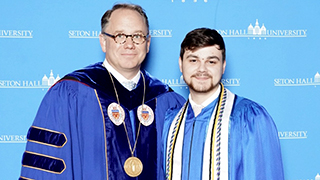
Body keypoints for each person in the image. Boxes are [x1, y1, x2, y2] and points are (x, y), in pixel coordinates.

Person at [19, 3, 185, 180]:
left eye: (137, 36)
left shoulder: (168, 101)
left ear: (148, 43)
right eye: (120, 36)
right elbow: (45, 169)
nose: (129, 44)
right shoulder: (69, 95)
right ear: (103, 42)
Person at [162, 28, 284, 180]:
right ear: (181, 64)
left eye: (211, 61)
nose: (202, 69)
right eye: (193, 60)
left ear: (223, 66)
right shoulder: (170, 122)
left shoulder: (250, 118)